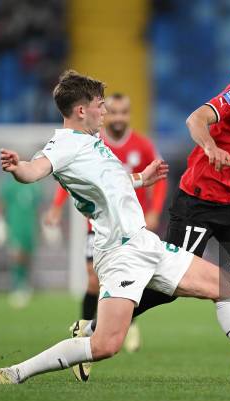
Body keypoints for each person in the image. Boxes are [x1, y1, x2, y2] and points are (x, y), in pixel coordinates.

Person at [0, 69, 230, 385]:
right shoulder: (64, 145)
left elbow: (111, 183)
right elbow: (35, 170)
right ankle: (18, 372)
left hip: (144, 243)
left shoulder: (91, 142)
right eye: (101, 104)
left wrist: (142, 178)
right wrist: (20, 168)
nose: (106, 111)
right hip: (119, 254)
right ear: (82, 110)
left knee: (223, 286)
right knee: (105, 346)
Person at [82, 37, 230, 383]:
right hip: (198, 202)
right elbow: (196, 119)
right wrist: (211, 147)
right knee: (167, 289)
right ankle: (92, 327)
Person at [44, 93, 167, 358]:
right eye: (114, 112)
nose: (119, 117)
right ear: (104, 114)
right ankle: (84, 334)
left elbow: (160, 179)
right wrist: (55, 207)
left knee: (134, 279)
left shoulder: (142, 145)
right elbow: (71, 177)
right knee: (92, 280)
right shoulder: (92, 144)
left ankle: (125, 323)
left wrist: (155, 210)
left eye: (125, 112)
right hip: (99, 225)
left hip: (131, 226)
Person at [0, 173, 43, 308]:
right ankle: (18, 287)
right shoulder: (10, 184)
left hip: (30, 227)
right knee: (17, 255)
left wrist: (43, 226)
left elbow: (38, 207)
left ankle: (26, 285)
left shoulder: (34, 185)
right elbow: (0, 203)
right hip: (15, 225)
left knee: (27, 257)